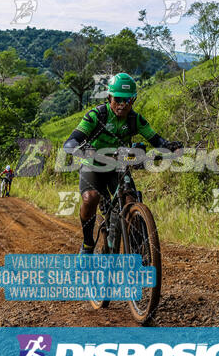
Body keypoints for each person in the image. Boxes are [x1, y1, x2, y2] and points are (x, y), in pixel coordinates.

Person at [63, 72, 183, 254]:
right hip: (93, 164)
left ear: (133, 100)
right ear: (109, 97)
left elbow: (157, 140)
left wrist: (170, 147)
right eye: (118, 99)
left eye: (128, 100)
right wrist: (84, 148)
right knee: (91, 198)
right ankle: (87, 244)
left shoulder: (135, 119)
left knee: (130, 199)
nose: (122, 105)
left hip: (118, 166)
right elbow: (70, 142)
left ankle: (138, 252)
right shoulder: (96, 115)